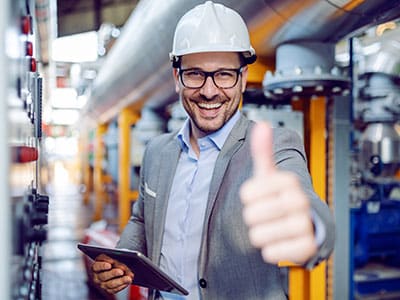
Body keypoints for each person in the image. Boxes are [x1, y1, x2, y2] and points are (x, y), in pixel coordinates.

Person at [90, 1, 335, 299]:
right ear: (177, 77)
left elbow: (308, 207)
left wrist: (309, 229)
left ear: (243, 78)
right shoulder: (157, 152)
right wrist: (119, 260)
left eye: (224, 74)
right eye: (195, 73)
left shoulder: (274, 146)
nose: (209, 91)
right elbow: (141, 220)